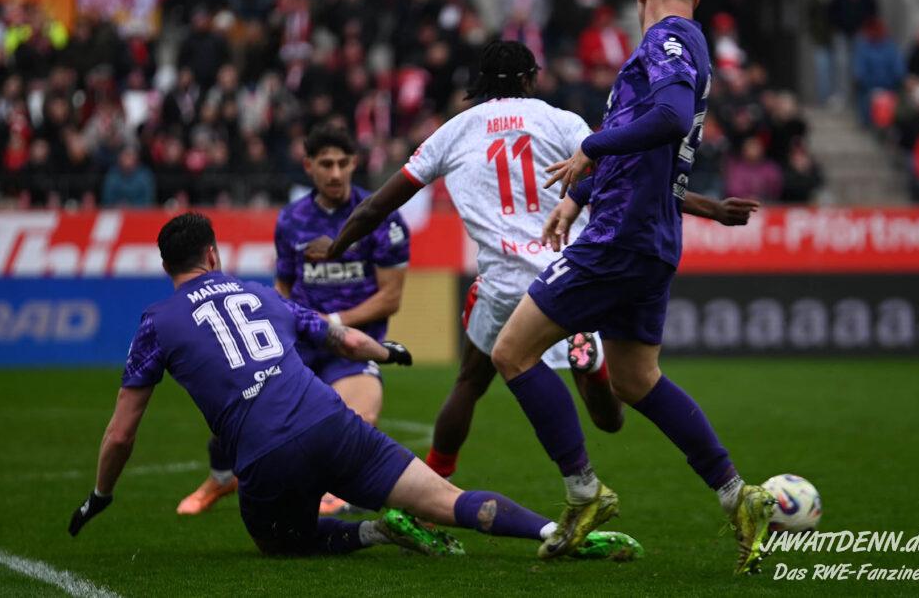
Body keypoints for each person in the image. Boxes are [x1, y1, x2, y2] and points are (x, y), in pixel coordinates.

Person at [304, 37, 759, 557]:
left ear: (480, 85)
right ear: (529, 79)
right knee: (613, 412)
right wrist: (710, 208)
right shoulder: (561, 122)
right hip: (571, 270)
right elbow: (629, 178)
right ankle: (591, 370)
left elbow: (376, 206)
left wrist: (335, 245)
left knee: (472, 380)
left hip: (501, 283)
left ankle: (434, 491)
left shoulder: (454, 131)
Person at [67, 212, 639, 561]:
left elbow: (121, 434)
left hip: (266, 456)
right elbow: (341, 338)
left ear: (167, 265)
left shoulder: (156, 322)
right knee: (446, 500)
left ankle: (374, 532)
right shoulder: (260, 295)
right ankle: (557, 531)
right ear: (212, 254)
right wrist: (389, 352)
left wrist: (101, 495)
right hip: (332, 422)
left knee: (280, 543)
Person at [493, 0, 774, 574]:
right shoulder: (685, 43)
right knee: (634, 379)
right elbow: (646, 149)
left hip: (621, 238)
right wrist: (579, 195)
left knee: (511, 352)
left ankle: (584, 491)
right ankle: (738, 496)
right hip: (651, 236)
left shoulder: (666, 40)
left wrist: (590, 146)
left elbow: (670, 117)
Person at [177, 126, 410, 517]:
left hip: (351, 347)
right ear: (308, 167)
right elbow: (283, 285)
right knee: (234, 410)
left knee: (360, 416)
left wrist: (330, 322)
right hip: (298, 344)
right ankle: (221, 476)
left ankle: (335, 490)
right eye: (326, 164)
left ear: (354, 164)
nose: (335, 173)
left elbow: (391, 297)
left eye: (342, 163)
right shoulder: (291, 219)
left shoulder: (381, 218)